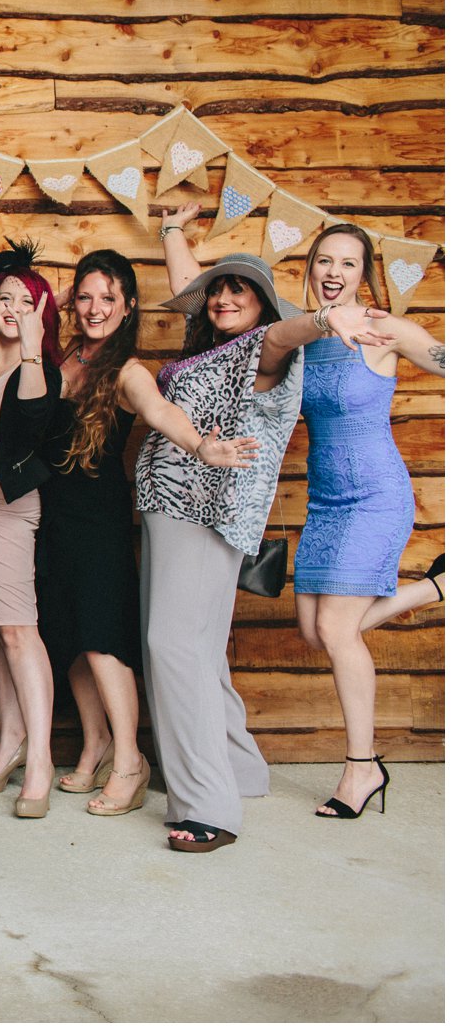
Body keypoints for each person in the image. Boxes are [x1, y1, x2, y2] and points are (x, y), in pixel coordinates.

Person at [138, 205, 388, 852]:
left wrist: (327, 319)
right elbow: (196, 286)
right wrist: (172, 231)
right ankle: (241, 771)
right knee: (197, 651)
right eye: (218, 288)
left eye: (240, 289)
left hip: (204, 513)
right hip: (174, 513)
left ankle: (210, 807)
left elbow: (283, 336)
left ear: (263, 307)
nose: (224, 296)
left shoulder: (263, 349)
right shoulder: (211, 349)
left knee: (173, 647)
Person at [36, 249, 257, 818]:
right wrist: (64, 301)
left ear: (129, 305)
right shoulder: (66, 356)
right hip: (53, 517)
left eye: (108, 298)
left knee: (103, 641)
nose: (94, 307)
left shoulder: (129, 371)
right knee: (70, 641)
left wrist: (203, 446)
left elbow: (163, 414)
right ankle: (95, 746)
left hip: (96, 519)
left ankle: (132, 761)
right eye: (84, 295)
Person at [285, 225, 442, 819]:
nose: (333, 272)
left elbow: (443, 359)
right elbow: (212, 298)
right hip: (325, 501)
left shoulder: (385, 328)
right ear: (311, 267)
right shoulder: (304, 334)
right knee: (314, 630)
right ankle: (433, 589)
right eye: (324, 260)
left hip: (376, 494)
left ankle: (360, 768)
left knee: (337, 631)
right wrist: (172, 234)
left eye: (347, 264)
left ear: (364, 273)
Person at [0, 242, 62, 817]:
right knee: (2, 631)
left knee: (21, 632)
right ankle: (11, 740)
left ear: (42, 312)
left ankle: (41, 758)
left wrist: (30, 346)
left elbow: (30, 420)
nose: (14, 307)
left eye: (28, 301)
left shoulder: (35, 368)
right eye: (6, 298)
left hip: (6, 512)